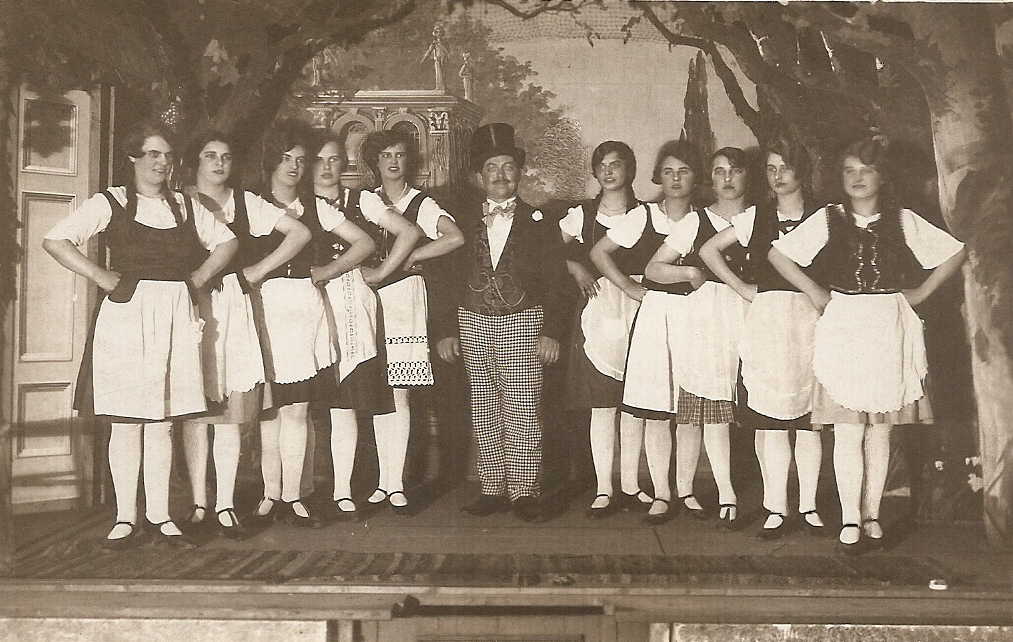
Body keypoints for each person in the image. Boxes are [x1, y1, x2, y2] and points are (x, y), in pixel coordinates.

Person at [43, 120, 237, 549]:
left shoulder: (185, 205)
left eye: (167, 155)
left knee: (163, 421)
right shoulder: (110, 201)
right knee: (128, 420)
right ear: (133, 157)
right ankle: (126, 518)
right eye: (152, 154)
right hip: (127, 316)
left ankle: (160, 516)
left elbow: (226, 243)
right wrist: (102, 276)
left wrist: (198, 278)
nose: (162, 163)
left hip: (175, 315)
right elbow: (56, 240)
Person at [769, 137, 965, 551]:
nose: (857, 178)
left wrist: (920, 292)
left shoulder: (903, 219)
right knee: (847, 429)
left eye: (867, 170)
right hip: (844, 324)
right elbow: (779, 256)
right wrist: (814, 290)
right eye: (850, 170)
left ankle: (872, 513)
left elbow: (954, 253)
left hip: (888, 326)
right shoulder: (828, 218)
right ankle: (850, 518)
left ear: (883, 176)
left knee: (880, 430)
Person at [434, 122, 568, 522]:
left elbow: (558, 281)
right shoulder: (460, 221)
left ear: (520, 172)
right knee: (484, 405)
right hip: (472, 319)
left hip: (524, 321)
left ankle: (524, 491)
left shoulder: (540, 222)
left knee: (523, 406)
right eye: (491, 168)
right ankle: (492, 487)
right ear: (479, 176)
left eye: (508, 166)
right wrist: (445, 330)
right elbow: (443, 277)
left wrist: (552, 332)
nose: (500, 175)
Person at [181, 131, 311, 539]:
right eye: (210, 156)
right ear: (195, 162)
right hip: (185, 305)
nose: (219, 163)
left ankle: (224, 504)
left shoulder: (245, 202)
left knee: (230, 411)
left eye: (226, 156)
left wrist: (257, 270)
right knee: (193, 409)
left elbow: (300, 233)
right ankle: (198, 504)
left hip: (231, 307)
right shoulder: (177, 200)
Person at [700, 136, 824, 539]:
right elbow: (708, 251)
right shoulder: (756, 217)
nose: (777, 176)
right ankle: (776, 508)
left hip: (812, 319)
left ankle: (808, 506)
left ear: (802, 171)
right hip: (768, 320)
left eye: (785, 167)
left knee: (808, 419)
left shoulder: (825, 216)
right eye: (771, 169)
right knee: (771, 419)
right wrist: (742, 287)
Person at [251, 120, 373, 528]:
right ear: (271, 161)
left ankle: (293, 498)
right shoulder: (251, 203)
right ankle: (269, 494)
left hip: (302, 307)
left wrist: (328, 271)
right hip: (262, 307)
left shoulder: (316, 207)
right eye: (286, 158)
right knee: (269, 409)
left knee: (297, 408)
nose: (294, 167)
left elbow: (365, 242)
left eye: (301, 160)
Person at [641, 147, 753, 527]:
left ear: (747, 176)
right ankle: (707, 493)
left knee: (742, 407)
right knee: (701, 410)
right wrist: (689, 273)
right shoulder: (696, 221)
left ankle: (752, 495)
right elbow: (654, 268)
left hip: (750, 316)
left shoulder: (760, 219)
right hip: (706, 319)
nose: (727, 179)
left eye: (734, 171)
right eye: (719, 171)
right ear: (711, 179)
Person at [354, 129, 463, 514]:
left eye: (399, 155)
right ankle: (381, 483)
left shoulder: (422, 203)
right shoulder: (366, 201)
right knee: (377, 387)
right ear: (375, 161)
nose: (393, 161)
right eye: (385, 155)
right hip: (369, 296)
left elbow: (454, 238)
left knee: (399, 390)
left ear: (408, 160)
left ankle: (396, 484)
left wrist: (413, 256)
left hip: (404, 297)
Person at [558, 141, 652, 519]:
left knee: (634, 403)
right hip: (599, 309)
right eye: (602, 166)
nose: (608, 172)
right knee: (602, 403)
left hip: (640, 306)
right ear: (595, 172)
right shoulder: (582, 215)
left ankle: (630, 484)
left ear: (630, 170)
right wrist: (573, 266)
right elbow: (542, 247)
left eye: (616, 164)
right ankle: (603, 488)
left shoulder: (646, 214)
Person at [619, 140, 707, 524]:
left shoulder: (705, 220)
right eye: (668, 171)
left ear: (696, 177)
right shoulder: (644, 216)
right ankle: (661, 493)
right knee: (655, 410)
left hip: (696, 315)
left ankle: (686, 490)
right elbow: (599, 252)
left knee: (689, 408)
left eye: (684, 171)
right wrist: (630, 287)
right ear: (658, 176)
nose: (675, 179)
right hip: (656, 314)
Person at [312, 132, 395, 520]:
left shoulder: (360, 200)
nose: (327, 167)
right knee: (303, 406)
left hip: (350, 306)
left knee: (344, 402)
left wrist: (380, 272)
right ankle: (296, 491)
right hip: (308, 306)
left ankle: (343, 491)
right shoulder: (297, 206)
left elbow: (408, 233)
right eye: (319, 160)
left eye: (334, 160)